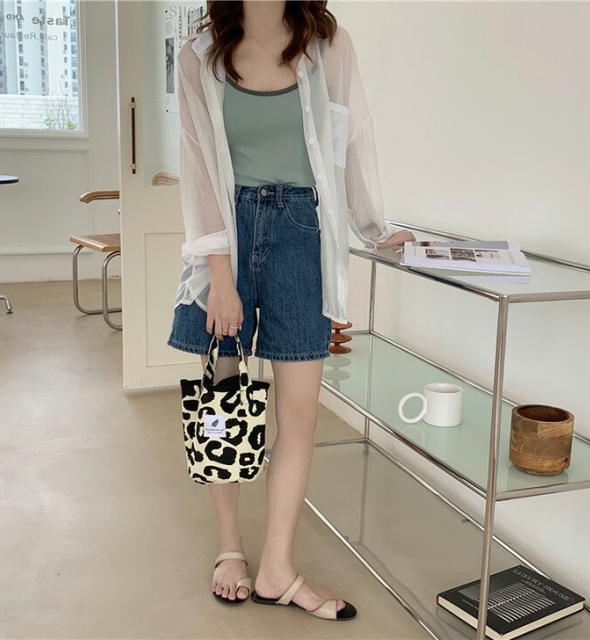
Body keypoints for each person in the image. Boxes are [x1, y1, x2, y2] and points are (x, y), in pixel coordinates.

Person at [167, 0, 416, 621]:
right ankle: (231, 547)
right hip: (226, 239)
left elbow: (352, 140)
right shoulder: (199, 56)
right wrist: (219, 276)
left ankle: (277, 567)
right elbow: (198, 170)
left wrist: (375, 228)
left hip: (303, 235)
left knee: (300, 413)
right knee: (221, 402)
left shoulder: (329, 45)